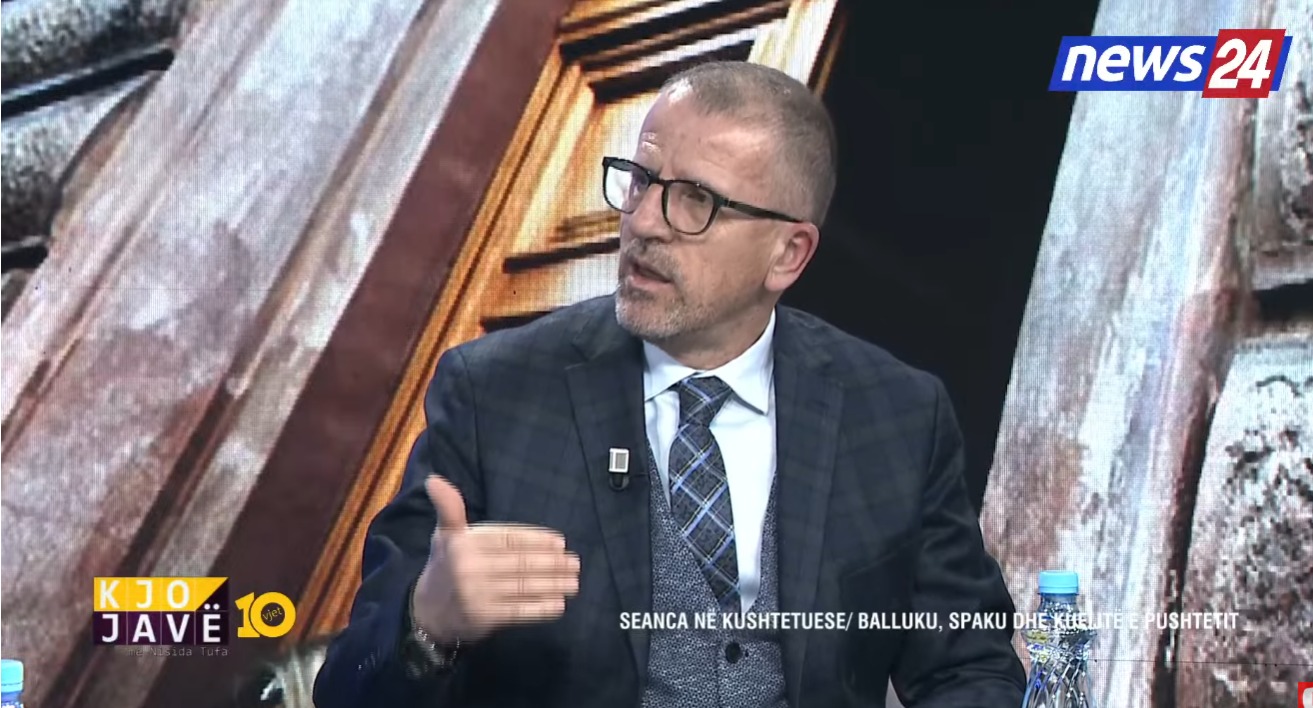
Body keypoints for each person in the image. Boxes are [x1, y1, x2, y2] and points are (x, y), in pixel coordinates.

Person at [313, 60, 1024, 707]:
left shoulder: (898, 416)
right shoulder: (493, 392)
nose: (644, 223)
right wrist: (426, 626)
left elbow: (970, 669)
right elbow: (347, 691)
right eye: (640, 180)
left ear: (788, 253)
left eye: (695, 201)